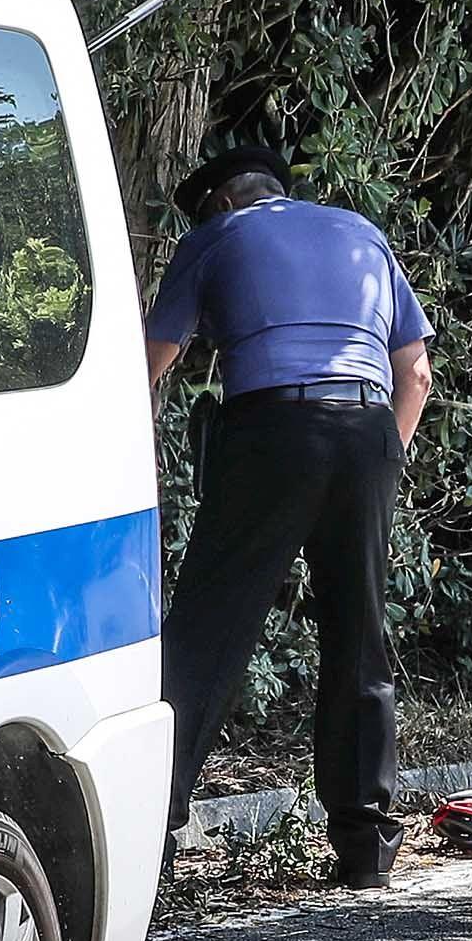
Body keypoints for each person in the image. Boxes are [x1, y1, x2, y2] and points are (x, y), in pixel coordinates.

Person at [146, 144, 435, 890]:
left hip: (273, 430)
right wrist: (380, 461)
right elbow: (417, 373)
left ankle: (152, 829)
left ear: (220, 202)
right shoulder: (360, 231)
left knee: (208, 632)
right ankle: (367, 845)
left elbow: (153, 359)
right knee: (358, 633)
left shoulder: (215, 238)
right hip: (369, 430)